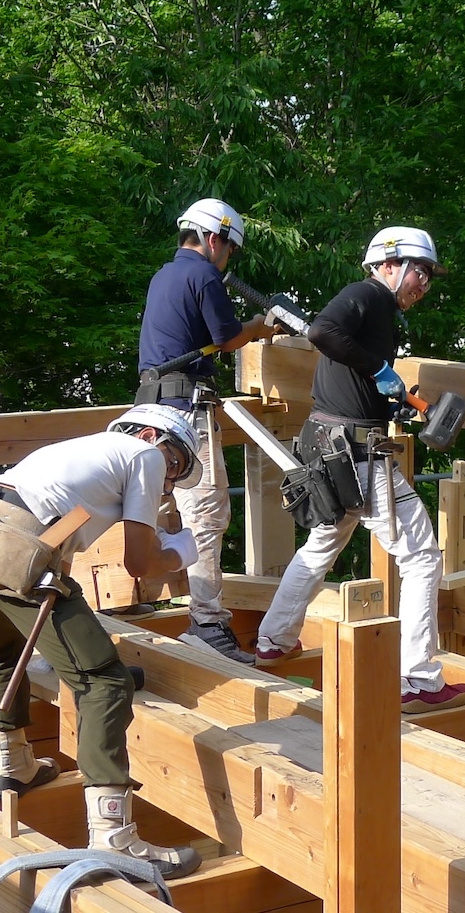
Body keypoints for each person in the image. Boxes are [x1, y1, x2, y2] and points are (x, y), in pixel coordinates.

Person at [0, 404, 203, 878]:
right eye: (176, 464)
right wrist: (179, 553)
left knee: (3, 640)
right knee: (105, 683)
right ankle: (114, 838)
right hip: (7, 555)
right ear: (148, 434)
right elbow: (139, 564)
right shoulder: (144, 454)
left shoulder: (80, 450)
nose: (169, 481)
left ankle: (13, 762)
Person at [253, 226, 465, 714]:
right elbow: (321, 332)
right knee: (420, 557)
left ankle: (272, 641)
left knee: (321, 545)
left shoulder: (380, 310)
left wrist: (392, 402)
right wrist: (378, 368)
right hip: (354, 453)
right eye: (420, 272)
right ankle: (417, 679)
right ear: (389, 264)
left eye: (429, 277)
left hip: (332, 442)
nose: (424, 285)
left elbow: (349, 372)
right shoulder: (366, 295)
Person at [137, 197, 277, 663]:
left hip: (149, 409)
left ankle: (150, 597)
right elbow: (227, 338)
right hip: (185, 412)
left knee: (156, 506)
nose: (228, 259)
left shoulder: (164, 276)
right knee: (206, 513)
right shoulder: (203, 275)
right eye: (230, 250)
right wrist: (259, 327)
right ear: (214, 238)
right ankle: (207, 621)